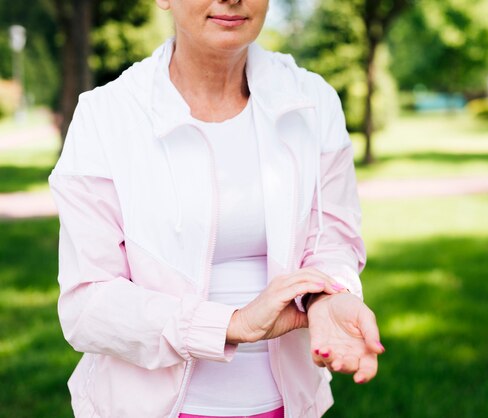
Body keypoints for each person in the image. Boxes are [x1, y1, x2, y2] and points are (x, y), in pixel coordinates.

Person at [48, 0, 384, 417]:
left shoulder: (312, 100)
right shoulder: (106, 116)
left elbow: (332, 238)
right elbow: (88, 304)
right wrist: (231, 324)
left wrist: (328, 297)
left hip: (288, 405)